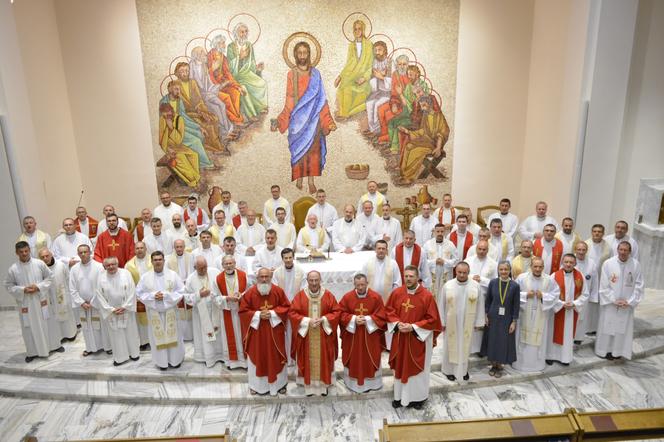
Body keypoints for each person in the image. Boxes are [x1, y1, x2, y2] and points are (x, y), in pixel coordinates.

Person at [272, 39, 336, 194]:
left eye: (305, 52)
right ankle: (299, 178)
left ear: (309, 54)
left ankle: (311, 181)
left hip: (314, 120)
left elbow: (321, 99)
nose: (302, 55)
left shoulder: (316, 74)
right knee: (299, 151)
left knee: (313, 152)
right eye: (299, 52)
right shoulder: (291, 74)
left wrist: (328, 121)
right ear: (295, 55)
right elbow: (289, 101)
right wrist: (280, 122)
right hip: (297, 120)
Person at [386, 266, 442, 408]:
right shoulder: (397, 293)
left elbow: (433, 319)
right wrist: (398, 324)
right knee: (400, 366)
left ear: (418, 278)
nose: (408, 279)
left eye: (411, 276)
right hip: (400, 338)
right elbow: (388, 311)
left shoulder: (426, 296)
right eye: (406, 276)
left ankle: (418, 398)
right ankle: (399, 397)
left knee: (418, 370)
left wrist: (413, 327)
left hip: (417, 339)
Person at [240, 268, 291, 396]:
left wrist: (273, 313)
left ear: (270, 277)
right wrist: (257, 315)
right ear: (257, 278)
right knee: (257, 356)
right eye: (261, 277)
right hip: (257, 335)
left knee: (276, 357)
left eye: (266, 277)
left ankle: (279, 384)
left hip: (275, 333)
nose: (264, 279)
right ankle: (256, 386)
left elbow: (286, 307)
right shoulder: (250, 293)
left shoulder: (278, 291)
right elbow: (243, 312)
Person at [289, 270, 340, 396]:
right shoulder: (300, 296)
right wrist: (307, 321)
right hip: (307, 336)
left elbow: (337, 312)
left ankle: (324, 386)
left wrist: (324, 319)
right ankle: (309, 387)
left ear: (320, 280)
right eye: (311, 280)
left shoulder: (328, 295)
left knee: (324, 359)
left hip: (323, 335)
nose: (314, 283)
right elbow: (292, 313)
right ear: (307, 281)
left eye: (316, 280)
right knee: (307, 360)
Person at [4, 241, 54, 362]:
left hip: (39, 300)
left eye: (26, 251)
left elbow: (50, 277)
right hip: (26, 303)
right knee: (28, 328)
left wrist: (38, 287)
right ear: (17, 253)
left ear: (29, 250)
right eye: (21, 252)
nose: (24, 254)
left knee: (44, 324)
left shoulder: (39, 263)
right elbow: (8, 285)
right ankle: (32, 352)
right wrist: (23, 290)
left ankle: (47, 349)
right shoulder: (13, 269)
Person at [136, 251, 186, 370]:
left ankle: (175, 360)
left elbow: (181, 291)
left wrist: (165, 296)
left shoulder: (173, 275)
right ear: (151, 262)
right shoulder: (145, 277)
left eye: (160, 259)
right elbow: (139, 293)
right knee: (156, 337)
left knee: (175, 335)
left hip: (171, 312)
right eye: (155, 260)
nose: (158, 262)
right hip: (154, 312)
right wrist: (153, 296)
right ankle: (162, 362)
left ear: (164, 261)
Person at [595, 241, 644, 360]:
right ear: (617, 250)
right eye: (620, 250)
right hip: (611, 304)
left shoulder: (635, 265)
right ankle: (604, 351)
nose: (622, 252)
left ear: (629, 251)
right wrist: (613, 300)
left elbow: (639, 285)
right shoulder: (608, 263)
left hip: (626, 305)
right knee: (608, 327)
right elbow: (604, 285)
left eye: (625, 250)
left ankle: (617, 352)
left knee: (621, 329)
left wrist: (630, 301)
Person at [339, 273, 387, 393]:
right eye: (357, 285)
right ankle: (353, 383)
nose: (360, 287)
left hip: (371, 336)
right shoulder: (347, 297)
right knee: (354, 358)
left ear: (367, 284)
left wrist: (368, 320)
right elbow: (340, 314)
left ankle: (373, 383)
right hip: (353, 336)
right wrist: (354, 319)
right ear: (354, 284)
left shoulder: (376, 297)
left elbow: (382, 315)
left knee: (371, 357)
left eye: (362, 284)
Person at [440, 262, 484, 382]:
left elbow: (480, 304)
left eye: (465, 272)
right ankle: (449, 370)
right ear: (455, 271)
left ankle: (463, 370)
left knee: (465, 346)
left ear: (468, 272)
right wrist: (442, 321)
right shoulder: (448, 285)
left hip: (467, 322)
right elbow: (441, 304)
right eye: (459, 272)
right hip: (451, 322)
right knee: (450, 346)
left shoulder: (475, 286)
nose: (462, 275)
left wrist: (479, 322)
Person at [512, 257, 558, 372]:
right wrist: (525, 295)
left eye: (540, 267)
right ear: (531, 266)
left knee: (539, 338)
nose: (538, 269)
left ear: (543, 267)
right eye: (535, 266)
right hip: (524, 313)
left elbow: (555, 295)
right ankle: (520, 364)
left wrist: (544, 296)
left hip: (541, 314)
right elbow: (513, 293)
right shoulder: (522, 278)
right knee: (522, 338)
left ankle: (537, 365)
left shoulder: (549, 280)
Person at [94, 257, 140, 366]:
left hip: (126, 310)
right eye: (108, 265)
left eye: (113, 264)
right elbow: (99, 295)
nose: (111, 267)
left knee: (130, 332)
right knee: (116, 335)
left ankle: (134, 354)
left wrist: (125, 306)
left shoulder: (126, 273)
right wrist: (111, 310)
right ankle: (120, 358)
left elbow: (132, 291)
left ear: (117, 263)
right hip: (112, 312)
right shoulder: (101, 278)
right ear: (105, 266)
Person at [172, 61, 224, 153]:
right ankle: (214, 147)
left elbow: (199, 99)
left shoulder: (192, 82)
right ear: (177, 73)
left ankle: (213, 145)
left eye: (187, 71)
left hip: (197, 111)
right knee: (204, 124)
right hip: (185, 114)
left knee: (212, 118)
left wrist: (202, 111)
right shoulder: (175, 85)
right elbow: (176, 103)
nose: (185, 73)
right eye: (182, 71)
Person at [546, 254, 589, 366]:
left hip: (571, 312)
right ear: (562, 262)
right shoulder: (554, 276)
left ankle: (565, 358)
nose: (568, 264)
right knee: (552, 332)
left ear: (575, 263)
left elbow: (585, 294)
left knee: (567, 335)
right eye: (566, 262)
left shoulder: (580, 276)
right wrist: (561, 304)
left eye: (571, 262)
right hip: (557, 312)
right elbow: (549, 294)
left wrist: (574, 303)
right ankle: (550, 356)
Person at [398, 96, 450, 184]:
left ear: (430, 104)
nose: (422, 108)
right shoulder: (425, 116)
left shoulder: (438, 116)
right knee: (408, 146)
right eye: (421, 106)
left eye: (424, 105)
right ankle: (403, 174)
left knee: (416, 151)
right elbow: (423, 131)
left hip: (434, 145)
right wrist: (408, 132)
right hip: (426, 141)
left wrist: (438, 148)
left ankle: (409, 177)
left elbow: (443, 133)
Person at [70, 244, 110, 356]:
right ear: (78, 254)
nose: (83, 254)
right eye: (81, 252)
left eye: (85, 252)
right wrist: (81, 302)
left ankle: (106, 346)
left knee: (101, 325)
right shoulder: (74, 269)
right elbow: (72, 288)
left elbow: (102, 286)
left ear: (90, 252)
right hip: (83, 304)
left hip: (96, 303)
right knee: (86, 327)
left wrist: (93, 302)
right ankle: (90, 347)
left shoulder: (98, 267)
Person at [189, 46, 237, 140]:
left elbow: (208, 83)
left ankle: (228, 130)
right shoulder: (191, 66)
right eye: (202, 52)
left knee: (222, 105)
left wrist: (219, 86)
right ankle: (224, 133)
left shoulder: (203, 65)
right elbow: (192, 85)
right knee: (216, 109)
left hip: (207, 93)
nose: (205, 54)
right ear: (197, 55)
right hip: (199, 97)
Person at [185, 256, 223, 367]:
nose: (203, 270)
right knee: (204, 335)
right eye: (200, 268)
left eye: (205, 267)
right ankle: (207, 356)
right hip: (200, 313)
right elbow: (186, 297)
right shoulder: (190, 279)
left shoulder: (215, 272)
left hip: (215, 309)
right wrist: (199, 295)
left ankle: (219, 355)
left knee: (218, 333)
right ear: (195, 267)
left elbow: (222, 288)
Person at [484, 261, 520, 378]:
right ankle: (493, 364)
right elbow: (488, 300)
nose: (503, 272)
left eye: (506, 269)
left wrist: (514, 321)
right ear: (498, 270)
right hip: (493, 316)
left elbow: (516, 305)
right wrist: (486, 315)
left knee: (503, 341)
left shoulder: (515, 286)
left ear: (510, 271)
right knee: (493, 340)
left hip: (507, 317)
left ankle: (500, 365)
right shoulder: (493, 283)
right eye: (501, 269)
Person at [272, 248, 306, 367]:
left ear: (293, 257)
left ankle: (296, 357)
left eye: (290, 257)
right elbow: (275, 291)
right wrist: (285, 303)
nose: (288, 260)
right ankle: (285, 356)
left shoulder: (300, 271)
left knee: (296, 332)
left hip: (297, 307)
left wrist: (295, 303)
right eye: (285, 258)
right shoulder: (277, 272)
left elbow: (304, 290)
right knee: (284, 333)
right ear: (282, 259)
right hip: (283, 307)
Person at [157, 102, 203, 189]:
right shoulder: (162, 120)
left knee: (194, 155)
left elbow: (178, 140)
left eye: (168, 113)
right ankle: (192, 181)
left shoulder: (179, 119)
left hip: (177, 146)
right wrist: (167, 149)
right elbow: (161, 139)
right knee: (181, 159)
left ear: (172, 111)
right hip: (167, 147)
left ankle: (195, 178)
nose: (167, 116)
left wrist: (171, 128)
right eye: (165, 114)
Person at [334, 19, 373, 118]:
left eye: (359, 29)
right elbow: (349, 63)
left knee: (348, 89)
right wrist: (340, 76)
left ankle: (345, 113)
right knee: (342, 87)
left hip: (364, 80)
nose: (357, 31)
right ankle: (343, 112)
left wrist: (364, 78)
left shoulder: (369, 45)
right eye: (355, 29)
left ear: (363, 30)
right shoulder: (351, 46)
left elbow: (371, 65)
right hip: (353, 75)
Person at [37, 248, 76, 343]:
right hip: (48, 297)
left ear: (51, 255)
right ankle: (58, 336)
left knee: (66, 314)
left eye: (47, 256)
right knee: (53, 316)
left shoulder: (61, 265)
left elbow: (68, 279)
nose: (45, 258)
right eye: (42, 257)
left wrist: (69, 294)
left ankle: (70, 334)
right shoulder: (39, 269)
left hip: (62, 293)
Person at [215, 255, 247, 369]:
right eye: (226, 264)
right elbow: (215, 297)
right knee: (229, 336)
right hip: (227, 312)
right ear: (222, 265)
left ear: (235, 263)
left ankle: (244, 361)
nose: (229, 266)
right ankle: (232, 362)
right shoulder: (218, 278)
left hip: (241, 311)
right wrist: (227, 298)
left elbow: (249, 291)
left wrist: (241, 295)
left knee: (242, 334)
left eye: (231, 263)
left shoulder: (243, 275)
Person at [466, 240, 498, 354]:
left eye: (484, 249)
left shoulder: (493, 264)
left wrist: (482, 280)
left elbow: (495, 282)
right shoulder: (468, 261)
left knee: (481, 321)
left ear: (487, 250)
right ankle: (468, 347)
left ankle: (480, 348)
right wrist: (471, 278)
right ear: (476, 249)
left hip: (484, 297)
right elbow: (461, 275)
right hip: (469, 296)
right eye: (479, 249)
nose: (481, 251)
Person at [207, 34, 245, 125]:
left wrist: (237, 86)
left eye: (224, 43)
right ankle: (235, 119)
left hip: (223, 83)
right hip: (213, 85)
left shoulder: (223, 57)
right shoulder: (209, 55)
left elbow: (227, 73)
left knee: (235, 92)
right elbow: (206, 74)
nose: (224, 45)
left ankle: (236, 118)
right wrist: (212, 68)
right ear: (217, 44)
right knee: (226, 97)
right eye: (223, 43)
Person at [124, 241, 152, 350]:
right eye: (137, 248)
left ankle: (153, 339)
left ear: (146, 249)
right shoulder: (129, 265)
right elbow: (127, 281)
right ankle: (144, 341)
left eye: (141, 248)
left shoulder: (153, 260)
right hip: (137, 296)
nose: (139, 250)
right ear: (134, 250)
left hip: (151, 295)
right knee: (140, 321)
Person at [424, 224, 458, 303]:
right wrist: (434, 261)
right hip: (432, 275)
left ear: (445, 232)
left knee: (445, 296)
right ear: (434, 232)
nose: (440, 233)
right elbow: (423, 260)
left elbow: (456, 260)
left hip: (445, 275)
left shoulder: (450, 244)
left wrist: (445, 262)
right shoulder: (427, 244)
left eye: (442, 231)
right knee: (432, 296)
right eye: (438, 231)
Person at [168, 239, 194, 341]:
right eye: (177, 247)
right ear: (174, 248)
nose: (179, 249)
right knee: (180, 312)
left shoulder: (191, 256)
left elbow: (193, 271)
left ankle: (191, 335)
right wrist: (178, 283)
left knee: (190, 309)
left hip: (189, 286)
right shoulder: (170, 260)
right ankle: (182, 336)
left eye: (180, 247)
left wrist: (187, 282)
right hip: (177, 288)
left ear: (184, 246)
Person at [364, 40, 392, 136]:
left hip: (388, 93)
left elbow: (392, 81)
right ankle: (372, 129)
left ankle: (377, 130)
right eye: (375, 50)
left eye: (379, 50)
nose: (377, 52)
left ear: (385, 50)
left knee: (377, 105)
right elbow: (373, 75)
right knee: (369, 103)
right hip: (377, 91)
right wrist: (377, 76)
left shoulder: (390, 62)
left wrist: (382, 77)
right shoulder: (375, 61)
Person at [573, 241, 599, 343]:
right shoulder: (570, 260)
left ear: (586, 251)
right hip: (571, 295)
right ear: (575, 250)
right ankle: (569, 336)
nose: (581, 252)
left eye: (583, 250)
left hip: (584, 296)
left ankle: (578, 338)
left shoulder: (591, 263)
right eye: (579, 249)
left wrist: (593, 296)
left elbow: (595, 280)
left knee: (582, 317)